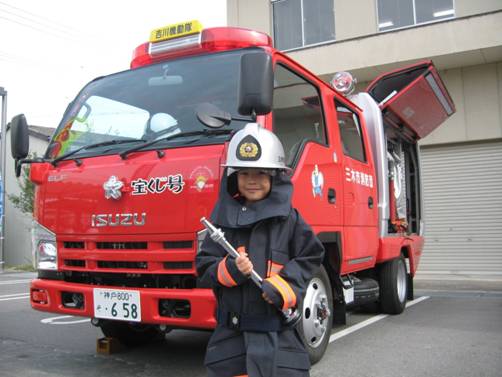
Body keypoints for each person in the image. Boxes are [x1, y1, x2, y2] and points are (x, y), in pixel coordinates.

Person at [196, 123, 325, 377]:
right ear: (233, 178)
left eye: (260, 173)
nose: (251, 181)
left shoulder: (290, 219)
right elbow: (203, 266)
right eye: (244, 174)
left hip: (280, 339)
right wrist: (230, 269)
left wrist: (284, 285)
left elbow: (312, 255)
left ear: (274, 177)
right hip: (231, 342)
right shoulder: (222, 219)